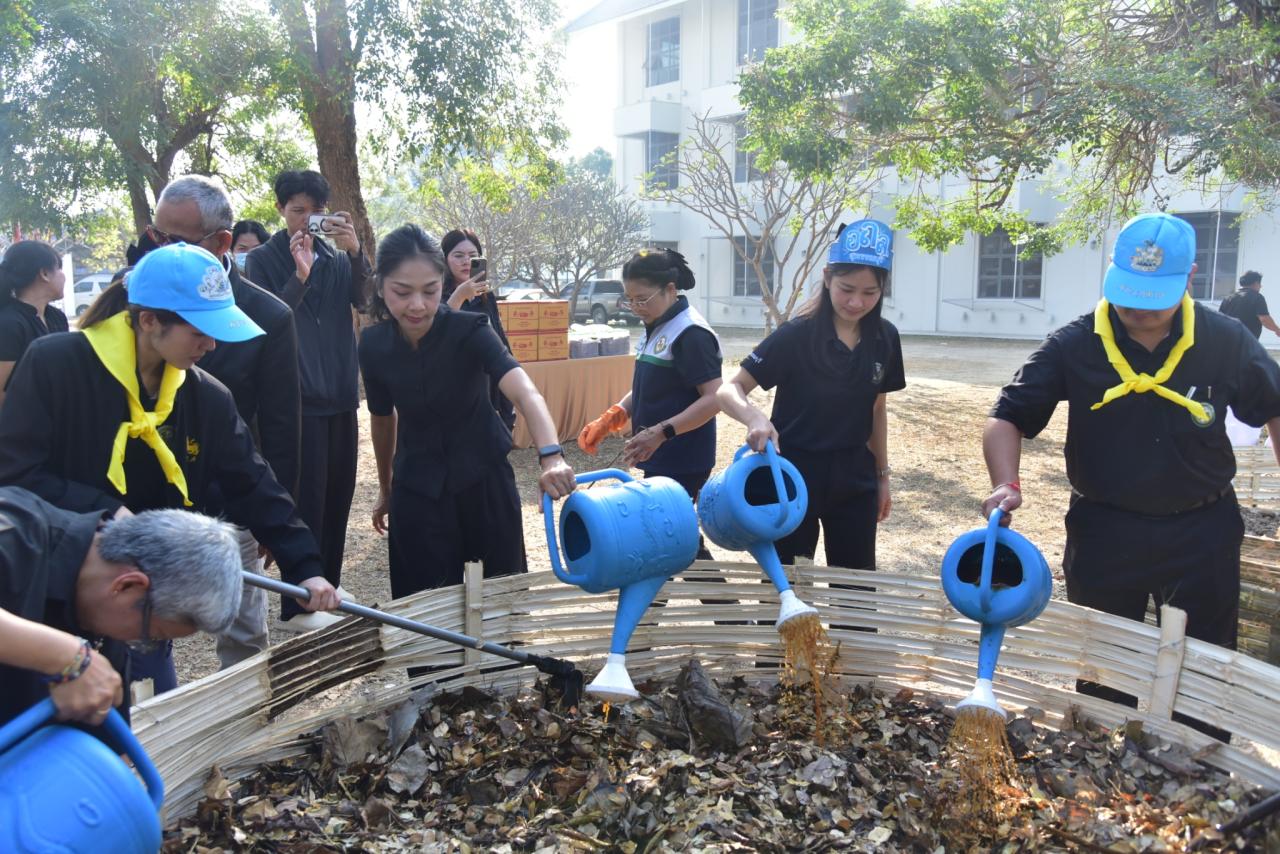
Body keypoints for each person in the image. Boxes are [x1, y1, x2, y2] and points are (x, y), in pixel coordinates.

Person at [982, 212, 1280, 742]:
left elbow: (1275, 405)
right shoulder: (1075, 342)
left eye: (1155, 294)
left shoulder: (1226, 340)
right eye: (1129, 291)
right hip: (1105, 528)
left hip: (1203, 527)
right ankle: (1103, 761)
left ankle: (1198, 762)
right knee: (1104, 661)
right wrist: (1008, 483)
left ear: (1189, 279)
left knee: (1204, 662)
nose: (1139, 307)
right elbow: (1007, 415)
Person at [0, 242, 340, 694]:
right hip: (48, 586)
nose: (211, 345)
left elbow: (254, 481)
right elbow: (15, 473)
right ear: (149, 321)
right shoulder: (54, 364)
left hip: (139, 598)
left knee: (139, 708)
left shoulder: (204, 395)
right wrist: (104, 513)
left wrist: (305, 566)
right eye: (200, 331)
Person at [359, 225, 576, 598]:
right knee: (423, 606)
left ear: (443, 282)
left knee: (499, 598)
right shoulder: (373, 345)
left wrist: (551, 456)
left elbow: (524, 390)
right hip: (417, 486)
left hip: (483, 478)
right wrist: (386, 487)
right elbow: (382, 418)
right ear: (380, 286)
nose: (417, 305)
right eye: (402, 291)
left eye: (430, 291)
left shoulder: (470, 329)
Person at [152, 175, 307, 659]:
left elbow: (281, 427)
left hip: (231, 499)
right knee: (141, 633)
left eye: (177, 241)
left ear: (222, 242)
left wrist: (272, 519)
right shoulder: (138, 294)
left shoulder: (267, 315)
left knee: (243, 636)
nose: (160, 251)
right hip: (148, 499)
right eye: (155, 238)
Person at [717, 220, 904, 575]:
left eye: (870, 293)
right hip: (792, 475)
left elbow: (877, 408)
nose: (856, 301)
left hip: (854, 478)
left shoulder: (885, 338)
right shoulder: (796, 335)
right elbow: (730, 389)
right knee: (791, 581)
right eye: (847, 288)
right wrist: (756, 418)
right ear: (827, 277)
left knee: (856, 587)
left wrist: (882, 477)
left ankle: (850, 635)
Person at [0, 486, 243, 728]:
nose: (139, 643)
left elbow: (113, 748)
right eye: (151, 635)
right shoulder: (16, 528)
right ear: (127, 585)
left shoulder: (105, 636)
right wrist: (67, 657)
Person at [245, 169, 371, 626]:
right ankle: (297, 601)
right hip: (296, 398)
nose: (307, 220)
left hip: (340, 391)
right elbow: (263, 321)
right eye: (298, 210)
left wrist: (355, 251)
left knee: (339, 495)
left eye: (315, 211)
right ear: (280, 210)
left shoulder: (337, 258)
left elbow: (366, 299)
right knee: (305, 501)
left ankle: (328, 585)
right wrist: (299, 277)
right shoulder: (261, 259)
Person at [578, 248, 722, 559]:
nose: (635, 307)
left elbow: (714, 398)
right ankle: (712, 604)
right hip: (659, 452)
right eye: (629, 299)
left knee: (668, 537)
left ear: (670, 290)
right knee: (675, 537)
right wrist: (614, 414)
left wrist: (662, 431)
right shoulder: (657, 323)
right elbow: (647, 387)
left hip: (684, 456)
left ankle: (662, 604)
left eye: (642, 299)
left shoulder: (691, 333)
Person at [441, 228, 516, 430]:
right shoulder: (437, 295)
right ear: (445, 259)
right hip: (456, 388)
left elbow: (500, 340)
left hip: (489, 385)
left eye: (473, 256)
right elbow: (439, 335)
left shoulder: (486, 296)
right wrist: (459, 296)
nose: (466, 261)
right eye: (458, 256)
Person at [0, 240, 67, 405]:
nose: (63, 275)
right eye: (59, 268)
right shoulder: (9, 324)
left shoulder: (57, 318)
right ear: (44, 273)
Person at [1218, 270, 1280, 340]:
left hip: (1228, 340)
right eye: (1260, 284)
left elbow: (1220, 319)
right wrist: (1277, 329)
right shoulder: (1257, 297)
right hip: (1246, 342)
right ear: (1256, 283)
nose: (1260, 286)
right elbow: (1264, 319)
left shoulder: (1228, 298)